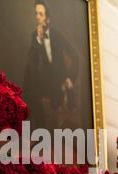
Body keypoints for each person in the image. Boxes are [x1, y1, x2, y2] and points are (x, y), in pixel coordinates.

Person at [23, 0, 79, 133]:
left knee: (49, 98)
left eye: (41, 14)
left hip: (59, 81)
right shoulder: (34, 36)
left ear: (47, 18)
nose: (37, 17)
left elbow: (75, 56)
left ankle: (50, 131)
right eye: (36, 13)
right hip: (44, 81)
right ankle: (40, 131)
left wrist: (70, 78)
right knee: (29, 90)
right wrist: (38, 41)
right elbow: (32, 63)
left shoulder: (56, 35)